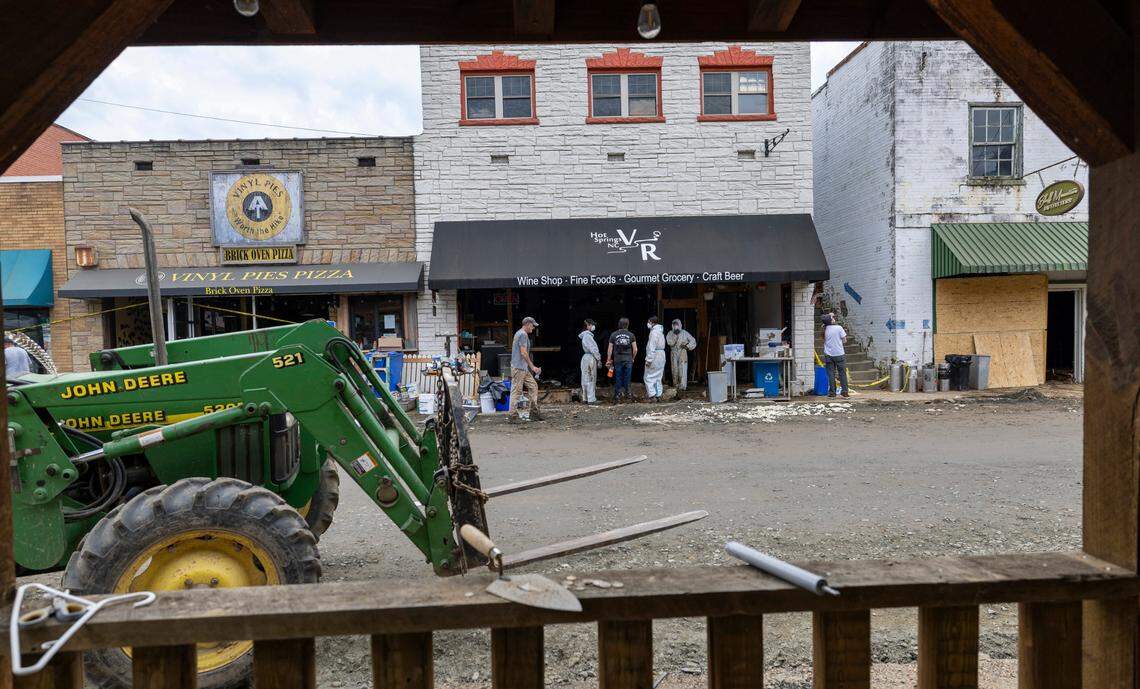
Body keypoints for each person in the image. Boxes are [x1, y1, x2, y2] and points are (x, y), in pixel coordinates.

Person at [508, 316, 545, 421]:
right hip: (519, 368)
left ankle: (534, 412)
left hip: (522, 368)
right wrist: (532, 367)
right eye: (532, 326)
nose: (533, 328)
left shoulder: (520, 333)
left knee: (533, 386)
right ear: (528, 324)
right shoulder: (523, 335)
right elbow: (523, 352)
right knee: (516, 391)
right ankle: (512, 416)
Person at [606, 317, 637, 403]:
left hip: (617, 360)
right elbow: (635, 349)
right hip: (628, 360)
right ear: (628, 325)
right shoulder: (631, 335)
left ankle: (617, 396)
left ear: (619, 324)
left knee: (618, 377)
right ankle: (628, 395)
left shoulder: (613, 334)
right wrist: (632, 358)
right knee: (627, 377)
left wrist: (609, 359)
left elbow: (610, 348)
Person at [822, 313, 850, 398]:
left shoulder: (824, 329)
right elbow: (845, 340)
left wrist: (829, 315)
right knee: (842, 373)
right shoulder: (839, 328)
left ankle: (832, 393)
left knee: (831, 374)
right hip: (839, 354)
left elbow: (825, 320)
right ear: (831, 320)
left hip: (828, 355)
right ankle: (844, 392)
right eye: (832, 318)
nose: (834, 318)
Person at [665, 319, 697, 392]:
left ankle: (682, 387)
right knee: (674, 368)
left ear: (680, 325)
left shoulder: (684, 333)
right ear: (672, 325)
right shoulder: (670, 333)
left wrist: (687, 346)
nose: (675, 326)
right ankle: (675, 385)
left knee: (682, 368)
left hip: (682, 352)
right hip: (674, 352)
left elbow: (693, 340)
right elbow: (669, 342)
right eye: (674, 325)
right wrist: (675, 339)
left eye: (677, 324)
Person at [643, 316, 667, 402]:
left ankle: (652, 395)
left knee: (648, 376)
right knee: (658, 376)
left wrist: (649, 360)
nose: (648, 324)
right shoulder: (660, 331)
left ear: (652, 323)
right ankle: (658, 395)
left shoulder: (653, 333)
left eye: (649, 322)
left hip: (655, 355)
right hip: (661, 355)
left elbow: (651, 347)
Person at [579, 319, 601, 404]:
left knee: (585, 378)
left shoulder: (584, 336)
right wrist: (598, 359)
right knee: (592, 377)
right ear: (587, 325)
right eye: (592, 325)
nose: (593, 326)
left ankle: (585, 398)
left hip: (585, 357)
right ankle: (591, 399)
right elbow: (593, 349)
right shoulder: (588, 336)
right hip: (590, 357)